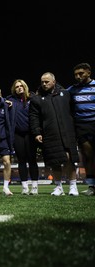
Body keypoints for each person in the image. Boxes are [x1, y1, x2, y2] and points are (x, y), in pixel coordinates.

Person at [29, 72, 79, 196]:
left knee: (69, 159)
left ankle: (73, 187)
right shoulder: (37, 98)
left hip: (67, 131)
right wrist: (37, 132)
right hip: (49, 133)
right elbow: (33, 117)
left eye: (47, 81)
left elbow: (73, 111)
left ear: (54, 81)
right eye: (42, 82)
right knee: (54, 160)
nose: (44, 84)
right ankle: (58, 187)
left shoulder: (66, 94)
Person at [7, 79, 40, 195]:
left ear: (25, 87)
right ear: (14, 89)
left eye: (21, 86)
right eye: (17, 86)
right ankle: (25, 187)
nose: (19, 88)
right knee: (21, 160)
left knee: (32, 160)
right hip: (17, 134)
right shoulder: (10, 100)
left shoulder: (33, 98)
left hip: (31, 134)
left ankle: (35, 187)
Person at [67, 63, 95, 196]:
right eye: (76, 75)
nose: (78, 77)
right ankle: (91, 186)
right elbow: (58, 94)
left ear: (89, 72)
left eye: (81, 74)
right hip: (82, 126)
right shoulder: (72, 90)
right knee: (88, 155)